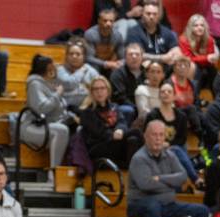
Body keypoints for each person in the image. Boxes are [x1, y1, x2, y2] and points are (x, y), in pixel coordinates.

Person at [127, 120, 210, 217]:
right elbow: (145, 184)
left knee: (201, 211)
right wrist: (170, 183)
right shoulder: (139, 158)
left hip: (167, 204)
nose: (158, 138)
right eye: (154, 135)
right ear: (146, 137)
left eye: (161, 135)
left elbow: (183, 177)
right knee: (153, 206)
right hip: (139, 204)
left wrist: (160, 179)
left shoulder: (170, 155)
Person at [22, 55, 74, 185]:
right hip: (31, 128)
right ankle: (53, 173)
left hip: (45, 126)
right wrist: (58, 94)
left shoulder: (48, 84)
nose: (56, 67)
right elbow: (41, 109)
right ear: (48, 68)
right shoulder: (34, 84)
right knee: (61, 131)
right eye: (53, 65)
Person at [81, 76, 143, 169]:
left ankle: (131, 172)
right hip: (99, 147)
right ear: (91, 92)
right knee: (136, 132)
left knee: (133, 140)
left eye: (102, 88)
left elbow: (122, 122)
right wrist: (113, 135)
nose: (99, 92)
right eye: (95, 89)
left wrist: (120, 130)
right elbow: (99, 132)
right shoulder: (87, 111)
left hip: (115, 143)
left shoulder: (114, 107)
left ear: (108, 90)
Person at [146, 82, 198, 183]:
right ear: (159, 96)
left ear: (174, 96)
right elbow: (147, 136)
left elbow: (182, 139)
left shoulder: (181, 116)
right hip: (156, 148)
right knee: (177, 150)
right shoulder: (152, 115)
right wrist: (160, 144)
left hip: (175, 148)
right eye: (163, 92)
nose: (166, 93)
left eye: (169, 92)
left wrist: (169, 144)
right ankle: (195, 179)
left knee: (177, 149)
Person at [125, 0, 179, 66]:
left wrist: (173, 54)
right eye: (148, 14)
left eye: (154, 14)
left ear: (158, 15)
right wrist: (162, 58)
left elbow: (176, 50)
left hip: (164, 69)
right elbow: (137, 55)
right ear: (142, 14)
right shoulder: (134, 32)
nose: (151, 17)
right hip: (143, 69)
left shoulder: (166, 32)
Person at [179, 13, 219, 91]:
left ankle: (215, 97)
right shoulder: (183, 39)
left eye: (202, 25)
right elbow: (188, 59)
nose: (199, 28)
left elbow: (210, 60)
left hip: (205, 65)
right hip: (190, 65)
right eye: (196, 25)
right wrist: (206, 58)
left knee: (213, 71)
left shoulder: (209, 39)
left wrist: (207, 59)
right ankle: (195, 97)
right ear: (191, 28)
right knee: (196, 69)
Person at [57, 40, 100, 111]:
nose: (74, 56)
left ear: (84, 56)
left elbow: (100, 90)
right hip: (64, 111)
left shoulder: (91, 71)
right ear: (67, 56)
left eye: (78, 54)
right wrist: (81, 71)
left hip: (87, 110)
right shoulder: (60, 70)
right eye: (71, 54)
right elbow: (68, 84)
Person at [109, 42, 145, 124]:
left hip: (144, 107)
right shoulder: (117, 74)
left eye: (137, 54)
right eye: (130, 54)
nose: (134, 57)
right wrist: (138, 109)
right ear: (125, 57)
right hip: (125, 107)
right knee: (128, 110)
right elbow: (121, 98)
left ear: (142, 57)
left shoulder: (147, 73)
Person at [84, 8, 125, 77]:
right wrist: (105, 63)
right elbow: (88, 58)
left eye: (111, 21)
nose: (108, 24)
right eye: (105, 21)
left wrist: (120, 63)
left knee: (121, 68)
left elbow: (123, 57)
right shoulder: (90, 34)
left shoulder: (118, 35)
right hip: (95, 64)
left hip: (111, 64)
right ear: (99, 21)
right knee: (93, 68)